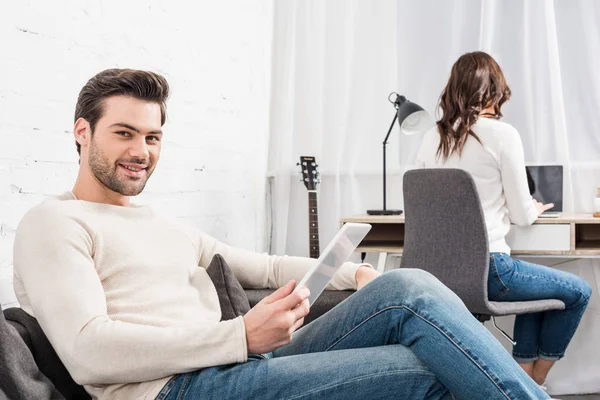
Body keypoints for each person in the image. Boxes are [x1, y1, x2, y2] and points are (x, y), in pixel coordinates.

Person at [13, 68, 549, 400]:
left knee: (407, 285)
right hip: (174, 390)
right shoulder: (55, 223)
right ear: (82, 133)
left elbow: (265, 269)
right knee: (434, 365)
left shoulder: (161, 224)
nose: (141, 151)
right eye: (124, 134)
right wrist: (240, 336)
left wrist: (355, 272)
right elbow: (88, 351)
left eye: (152, 136)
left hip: (233, 365)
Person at [416, 51, 592, 388]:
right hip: (490, 271)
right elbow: (523, 215)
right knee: (579, 291)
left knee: (537, 292)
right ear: (494, 92)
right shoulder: (502, 134)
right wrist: (534, 208)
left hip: (436, 275)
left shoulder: (430, 138)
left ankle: (521, 378)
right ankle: (532, 384)